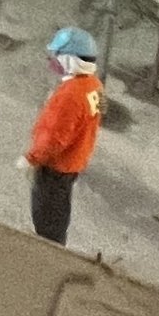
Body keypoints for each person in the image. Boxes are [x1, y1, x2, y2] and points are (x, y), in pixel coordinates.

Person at [23, 26, 105, 245]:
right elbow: (92, 120)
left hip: (55, 167)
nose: (53, 60)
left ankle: (49, 253)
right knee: (59, 211)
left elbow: (55, 138)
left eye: (57, 55)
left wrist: (32, 158)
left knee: (47, 219)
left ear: (70, 59)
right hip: (73, 162)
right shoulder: (94, 86)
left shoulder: (71, 95)